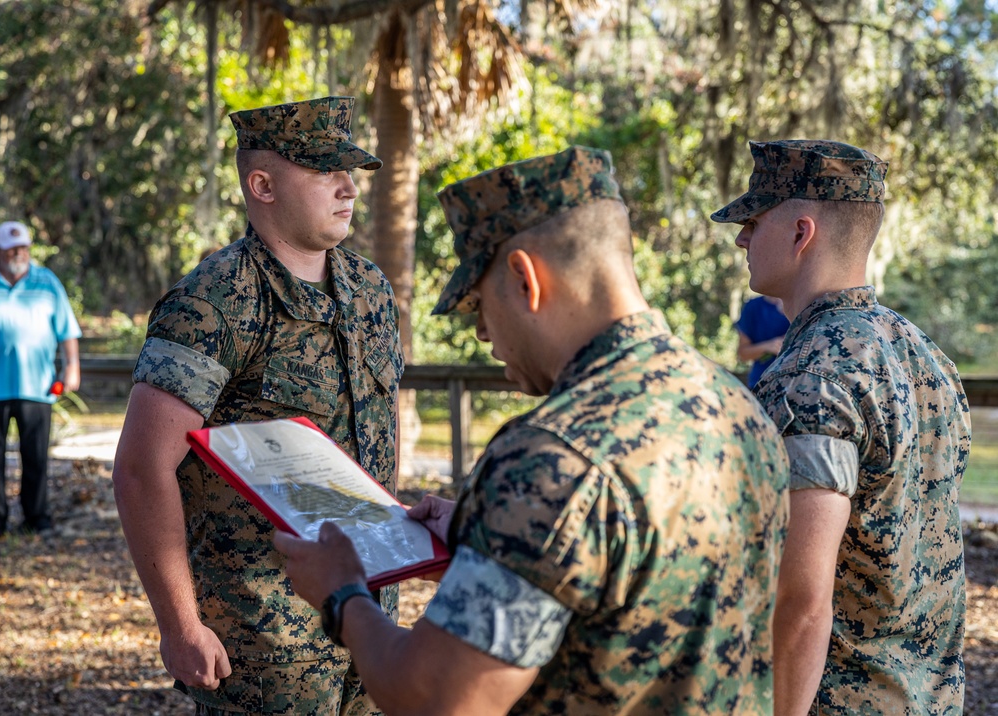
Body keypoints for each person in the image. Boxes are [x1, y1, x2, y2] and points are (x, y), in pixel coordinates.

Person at [275, 146, 791, 715]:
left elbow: (437, 699)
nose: (481, 333)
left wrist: (343, 592)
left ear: (525, 278)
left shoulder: (552, 457)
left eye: (477, 305)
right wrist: (490, 537)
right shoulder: (733, 404)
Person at [111, 96, 404, 715]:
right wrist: (180, 626)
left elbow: (377, 443)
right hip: (264, 641)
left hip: (367, 620)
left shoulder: (370, 291)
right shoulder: (214, 302)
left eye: (348, 171)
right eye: (326, 171)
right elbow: (142, 467)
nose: (348, 187)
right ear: (262, 184)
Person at [710, 139, 972, 715]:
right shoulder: (921, 353)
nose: (741, 238)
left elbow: (800, 600)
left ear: (801, 233)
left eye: (753, 221)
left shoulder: (813, 376)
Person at [0, 220, 81, 537]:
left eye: (22, 248)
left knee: (35, 456)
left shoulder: (46, 281)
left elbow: (67, 329)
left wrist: (71, 365)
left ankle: (37, 518)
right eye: (10, 249)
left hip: (37, 385)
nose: (17, 254)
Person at [735, 294, 789, 388]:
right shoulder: (754, 307)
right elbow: (743, 354)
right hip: (761, 384)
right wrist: (769, 346)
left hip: (794, 385)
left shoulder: (806, 303)